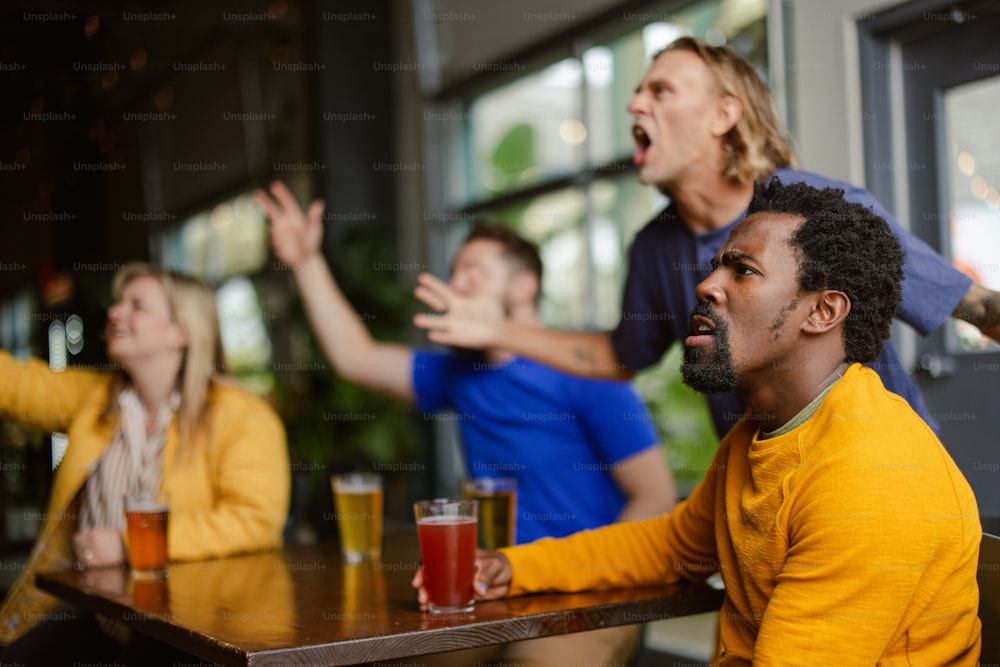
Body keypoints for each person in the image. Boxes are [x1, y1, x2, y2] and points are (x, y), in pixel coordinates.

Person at [419, 178, 983, 666]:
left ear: (822, 311)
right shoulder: (763, 430)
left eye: (744, 270)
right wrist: (509, 568)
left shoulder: (871, 482)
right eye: (717, 265)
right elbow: (673, 548)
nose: (706, 285)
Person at [412, 36, 1000, 439]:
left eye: (661, 91)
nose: (634, 102)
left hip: (877, 479)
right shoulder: (653, 247)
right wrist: (496, 329)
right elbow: (620, 357)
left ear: (724, 115)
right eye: (638, 91)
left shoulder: (807, 205)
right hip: (761, 494)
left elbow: (970, 305)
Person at [254, 180, 676, 666]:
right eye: (455, 274)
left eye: (475, 271)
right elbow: (356, 357)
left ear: (524, 286)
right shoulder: (459, 374)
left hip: (583, 593)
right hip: (490, 583)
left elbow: (656, 497)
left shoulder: (589, 371)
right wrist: (306, 262)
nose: (458, 284)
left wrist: (592, 574)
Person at [0, 263, 291, 665]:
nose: (115, 312)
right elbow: (17, 386)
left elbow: (254, 520)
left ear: (180, 332)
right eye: (119, 302)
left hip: (186, 619)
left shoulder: (242, 415)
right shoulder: (98, 398)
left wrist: (126, 543)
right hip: (100, 610)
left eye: (137, 305)